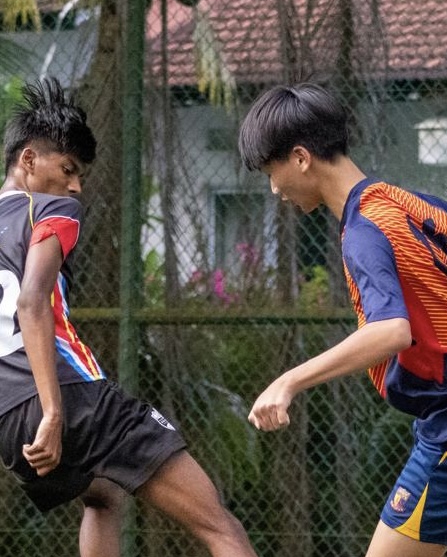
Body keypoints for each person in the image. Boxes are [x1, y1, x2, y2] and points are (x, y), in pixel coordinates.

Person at [239, 82, 447, 557]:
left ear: (301, 157)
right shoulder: (405, 201)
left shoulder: (363, 233)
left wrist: (289, 381)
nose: (274, 189)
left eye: (272, 171)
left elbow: (391, 331)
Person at [0, 77, 258, 557]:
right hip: (65, 396)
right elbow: (31, 301)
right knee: (220, 527)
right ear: (28, 161)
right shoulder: (52, 208)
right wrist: (53, 412)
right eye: (69, 168)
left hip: (7, 417)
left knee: (103, 496)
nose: (76, 186)